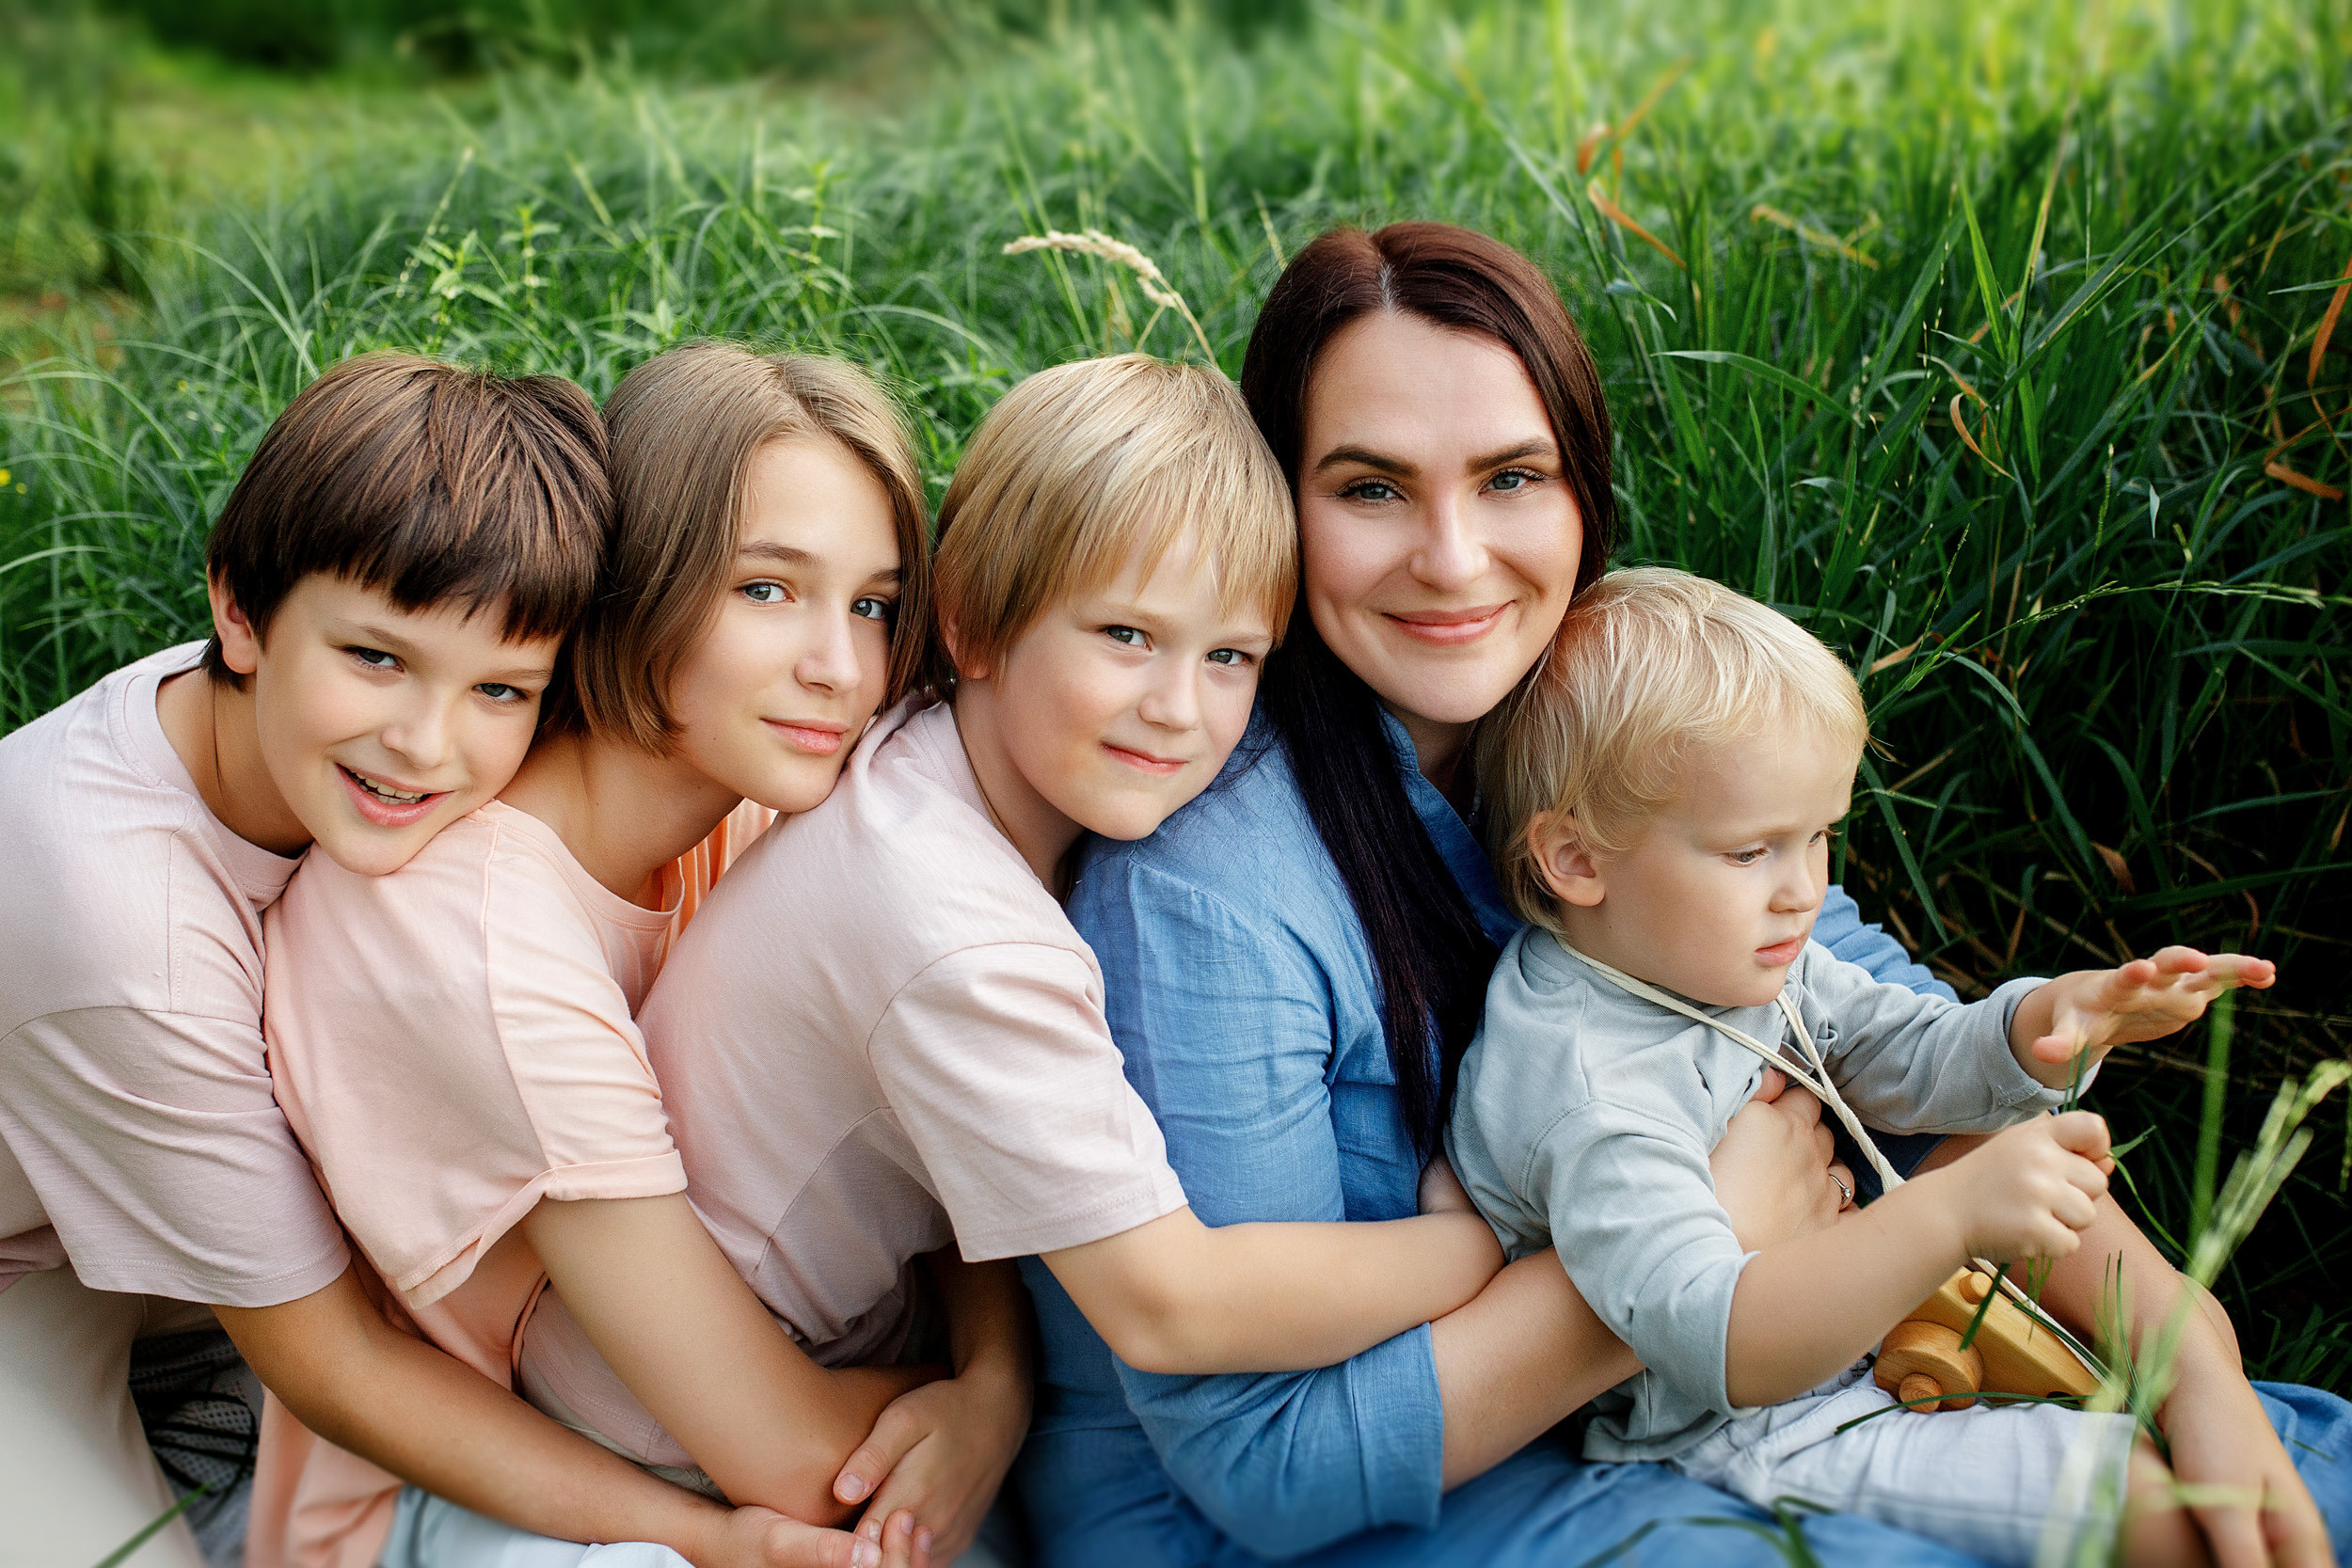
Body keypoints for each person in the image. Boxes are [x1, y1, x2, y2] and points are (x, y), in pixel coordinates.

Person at [1025, 221, 2349, 1567]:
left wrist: (2192, 1360)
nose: (1454, 557)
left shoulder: (1618, 717)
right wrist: (1712, 1233)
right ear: (1279, 510)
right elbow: (1266, 1466)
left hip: (1688, 1387)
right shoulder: (1211, 890)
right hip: (1299, 1512)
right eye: (1371, 487)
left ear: (1581, 488)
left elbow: (1898, 1068)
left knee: (2296, 1491)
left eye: (1511, 476)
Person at [594, 353, 1509, 1568]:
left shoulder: (929, 765)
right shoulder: (957, 929)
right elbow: (1169, 1303)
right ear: (971, 622)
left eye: (1230, 656)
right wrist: (1492, 1243)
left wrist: (997, 1375)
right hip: (694, 1435)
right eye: (1126, 634)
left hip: (837, 1346)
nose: (1179, 707)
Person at [0, 355, 811, 1568]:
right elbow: (335, 1364)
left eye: (500, 688)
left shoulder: (296, 706)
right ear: (239, 612)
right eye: (377, 659)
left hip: (139, 1205)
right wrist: (704, 1533)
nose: (426, 742)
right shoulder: (129, 933)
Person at [253, 342, 999, 1568]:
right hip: (473, 1508)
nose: (840, 666)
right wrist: (982, 1398)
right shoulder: (477, 936)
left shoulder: (746, 805)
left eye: (871, 604)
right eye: (768, 588)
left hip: (690, 1433)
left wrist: (1000, 1380)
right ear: (636, 577)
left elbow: (926, 1124)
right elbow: (794, 1459)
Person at [1450, 565, 2277, 1566]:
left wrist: (2050, 1019)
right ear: (1577, 860)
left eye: (1820, 837)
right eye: (1751, 851)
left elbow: (1907, 1055)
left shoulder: (1703, 953)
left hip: (1855, 1332)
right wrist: (1947, 1217)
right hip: (1748, 1424)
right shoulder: (1592, 1089)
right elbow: (1724, 1344)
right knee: (2144, 1506)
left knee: (2179, 1411)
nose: (1804, 889)